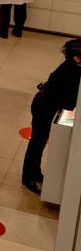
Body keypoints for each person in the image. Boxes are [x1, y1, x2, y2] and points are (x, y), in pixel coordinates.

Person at [21, 38, 81, 194]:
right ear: (77, 57)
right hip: (44, 107)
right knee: (37, 142)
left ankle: (35, 172)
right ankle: (27, 177)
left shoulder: (72, 67)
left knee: (40, 141)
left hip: (48, 104)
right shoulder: (71, 70)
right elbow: (69, 100)